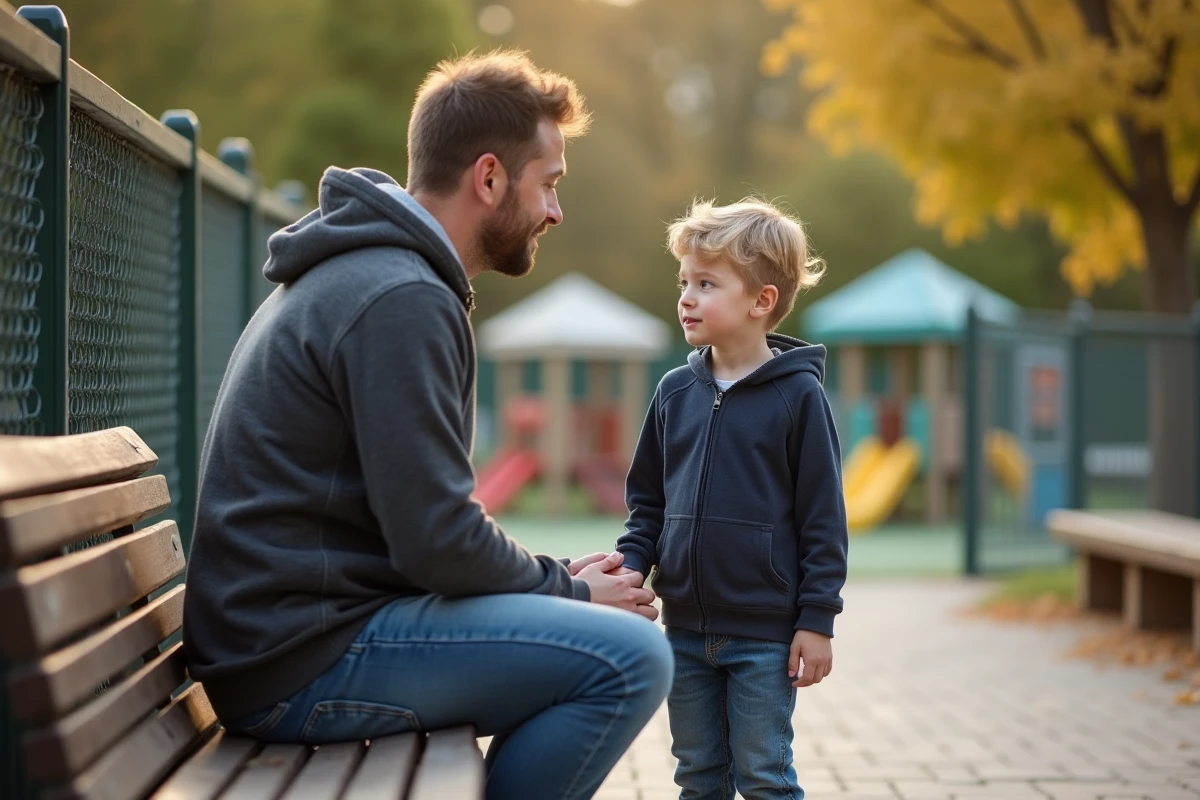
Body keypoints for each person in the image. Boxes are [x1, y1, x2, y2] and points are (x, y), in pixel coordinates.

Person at [182, 50, 672, 800]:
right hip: (301, 662)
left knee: (610, 642)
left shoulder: (374, 273)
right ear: (488, 178)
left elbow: (421, 533)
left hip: (289, 640)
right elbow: (436, 540)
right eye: (549, 184)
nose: (555, 212)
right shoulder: (400, 296)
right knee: (634, 656)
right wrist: (566, 596)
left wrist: (549, 581)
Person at [614, 199, 848, 800]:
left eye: (707, 283)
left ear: (761, 301)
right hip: (684, 629)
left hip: (765, 638)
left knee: (764, 776)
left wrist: (816, 620)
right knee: (698, 777)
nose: (686, 297)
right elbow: (648, 503)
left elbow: (824, 520)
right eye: (684, 282)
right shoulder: (673, 392)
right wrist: (632, 569)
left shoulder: (798, 398)